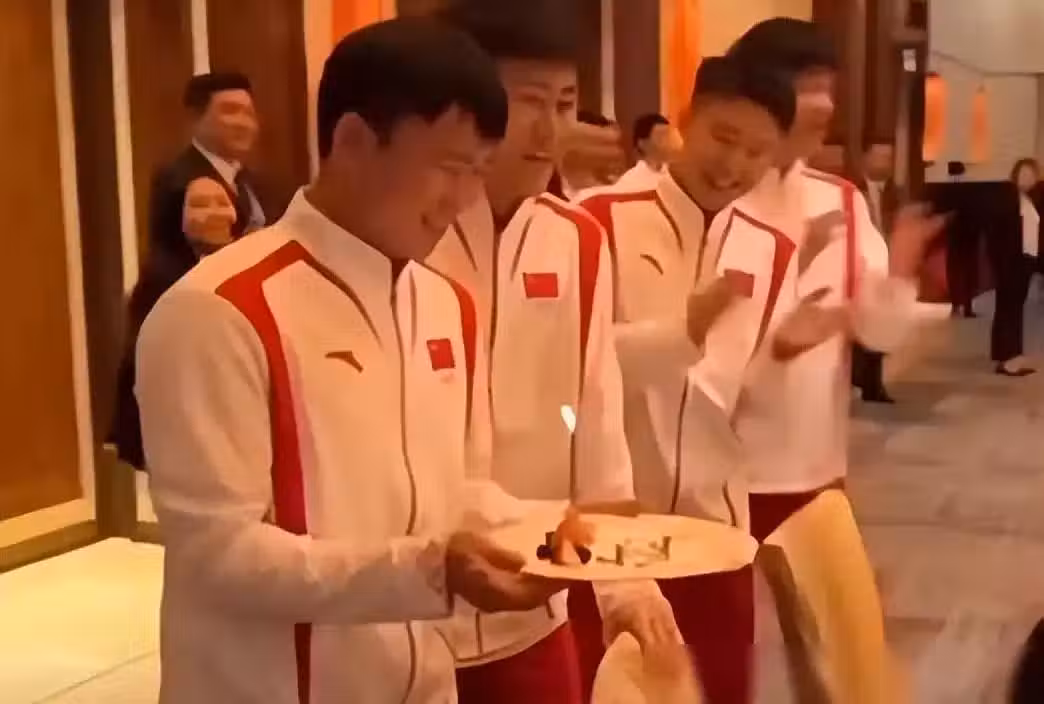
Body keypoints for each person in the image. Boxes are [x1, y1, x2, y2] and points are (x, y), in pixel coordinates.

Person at [135, 18, 566, 704]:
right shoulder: (220, 310)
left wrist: (564, 527)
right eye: (449, 168)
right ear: (354, 141)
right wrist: (429, 571)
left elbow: (454, 490)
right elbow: (217, 554)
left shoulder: (445, 304)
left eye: (478, 173)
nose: (462, 201)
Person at [428, 3, 680, 703]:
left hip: (536, 605)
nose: (549, 130)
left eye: (564, 104)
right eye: (527, 103)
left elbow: (597, 421)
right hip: (412, 609)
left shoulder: (577, 239)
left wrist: (626, 581)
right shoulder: (408, 232)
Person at [578, 55, 798, 704]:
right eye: (723, 138)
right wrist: (681, 333)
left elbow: (755, 398)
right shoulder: (596, 221)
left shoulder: (772, 249)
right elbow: (573, 370)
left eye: (757, 152)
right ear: (686, 118)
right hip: (612, 537)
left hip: (715, 537)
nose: (734, 165)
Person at [110, 177, 239, 469]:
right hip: (183, 424)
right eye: (200, 205)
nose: (215, 212)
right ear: (176, 218)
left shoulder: (247, 265)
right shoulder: (161, 280)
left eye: (223, 202)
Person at [148, 72, 265, 279]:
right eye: (230, 111)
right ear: (196, 117)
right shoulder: (178, 180)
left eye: (249, 113)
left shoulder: (255, 182)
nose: (243, 123)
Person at [852, 137, 900, 402]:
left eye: (889, 158)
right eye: (879, 156)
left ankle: (873, 384)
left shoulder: (894, 194)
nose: (885, 163)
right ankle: (855, 377)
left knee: (879, 327)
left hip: (885, 266)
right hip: (860, 265)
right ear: (865, 158)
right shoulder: (851, 190)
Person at [989, 158, 1040, 376]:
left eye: (1032, 175)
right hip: (1011, 262)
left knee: (1013, 308)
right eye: (1024, 173)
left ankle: (1009, 354)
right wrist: (1001, 262)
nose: (1028, 178)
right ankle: (1008, 358)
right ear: (1015, 174)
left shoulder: (1027, 199)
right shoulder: (1008, 198)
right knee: (1009, 309)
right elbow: (997, 233)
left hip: (1023, 261)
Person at [615, 113, 678, 190]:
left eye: (668, 136)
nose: (667, 142)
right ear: (642, 143)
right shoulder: (629, 181)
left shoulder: (676, 177)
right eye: (660, 137)